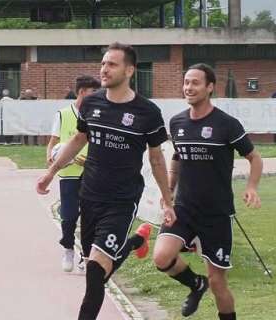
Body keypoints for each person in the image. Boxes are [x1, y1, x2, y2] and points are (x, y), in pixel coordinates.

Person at [36, 42, 176, 320]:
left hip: (122, 201)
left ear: (129, 70)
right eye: (103, 63)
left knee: (96, 271)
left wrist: (168, 201)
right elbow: (78, 139)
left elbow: (157, 159)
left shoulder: (147, 112)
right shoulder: (91, 103)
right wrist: (51, 172)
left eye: (111, 64)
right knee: (96, 268)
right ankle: (136, 242)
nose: (104, 69)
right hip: (89, 197)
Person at [153, 63, 263, 320]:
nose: (189, 88)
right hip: (184, 207)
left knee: (218, 282)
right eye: (186, 82)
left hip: (216, 213)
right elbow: (178, 157)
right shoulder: (177, 121)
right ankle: (194, 284)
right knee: (161, 257)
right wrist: (169, 189)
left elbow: (255, 158)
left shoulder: (227, 124)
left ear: (210, 87)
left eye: (195, 83)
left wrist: (251, 187)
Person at [46, 75, 100, 272]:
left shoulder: (97, 115)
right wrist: (51, 157)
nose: (98, 95)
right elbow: (54, 141)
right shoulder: (62, 114)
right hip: (68, 172)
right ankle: (68, 247)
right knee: (68, 217)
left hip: (91, 173)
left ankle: (85, 255)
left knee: (89, 216)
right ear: (82, 92)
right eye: (94, 92)